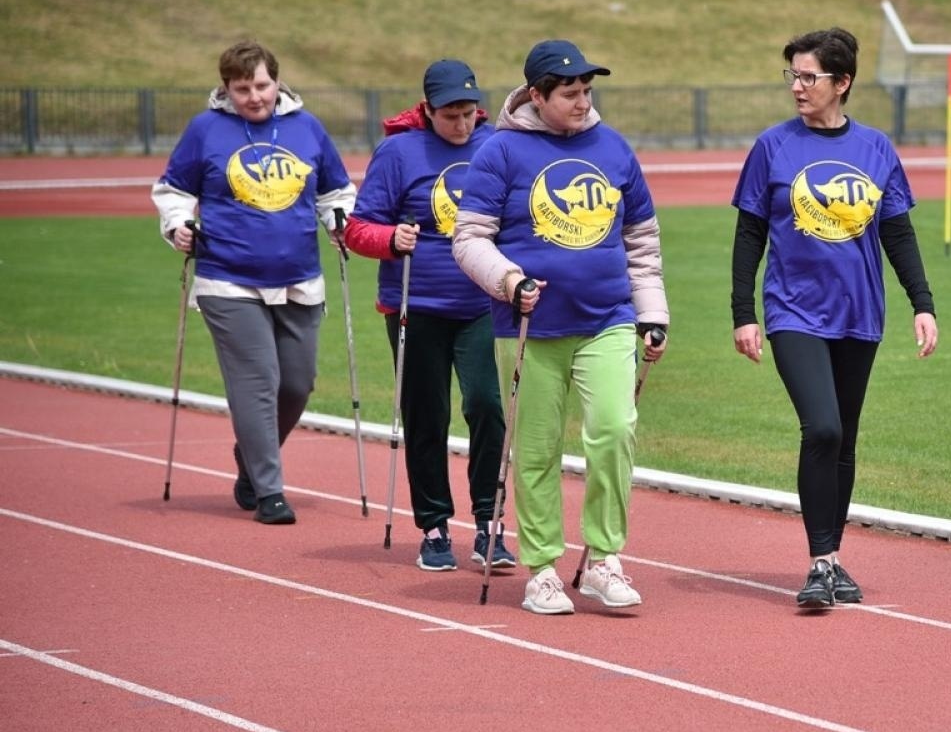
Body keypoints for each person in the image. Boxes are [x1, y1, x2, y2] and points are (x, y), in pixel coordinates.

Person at [452, 39, 667, 615]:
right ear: (537, 95)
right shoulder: (500, 152)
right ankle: (542, 569)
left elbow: (641, 241)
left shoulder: (614, 147)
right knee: (536, 451)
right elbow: (469, 238)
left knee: (615, 430)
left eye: (586, 91)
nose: (582, 102)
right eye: (570, 93)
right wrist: (509, 281)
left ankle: (603, 560)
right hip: (528, 327)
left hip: (608, 319)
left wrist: (652, 313)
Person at [731, 27, 938, 611]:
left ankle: (832, 560)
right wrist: (743, 313)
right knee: (821, 428)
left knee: (844, 436)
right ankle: (819, 560)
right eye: (792, 76)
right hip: (793, 310)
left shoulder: (876, 148)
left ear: (841, 82)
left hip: (859, 312)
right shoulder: (773, 146)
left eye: (809, 77)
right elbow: (749, 234)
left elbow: (898, 233)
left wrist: (923, 303)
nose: (797, 87)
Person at [152, 39, 356, 525]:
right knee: (258, 379)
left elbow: (335, 190)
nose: (254, 97)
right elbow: (173, 190)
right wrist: (178, 226)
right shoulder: (206, 129)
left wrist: (340, 221)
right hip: (228, 280)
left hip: (299, 279)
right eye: (242, 89)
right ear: (226, 89)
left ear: (277, 82)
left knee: (297, 383)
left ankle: (251, 455)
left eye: (261, 85)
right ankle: (269, 491)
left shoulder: (307, 127)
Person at [344, 59, 514, 572]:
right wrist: (391, 239)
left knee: (487, 406)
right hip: (416, 306)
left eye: (468, 113)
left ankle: (488, 522)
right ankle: (434, 526)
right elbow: (358, 228)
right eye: (450, 115)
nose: (461, 125)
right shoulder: (399, 152)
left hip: (481, 304)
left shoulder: (494, 145)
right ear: (428, 109)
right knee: (427, 414)